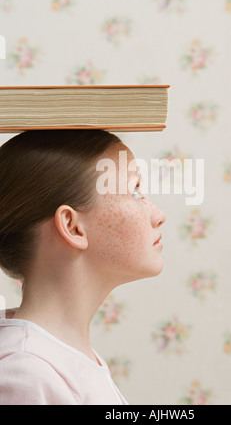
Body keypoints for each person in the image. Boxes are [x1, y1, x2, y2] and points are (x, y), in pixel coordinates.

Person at [0, 129, 166, 405]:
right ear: (73, 227)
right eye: (135, 190)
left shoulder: (59, 358)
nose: (159, 215)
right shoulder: (27, 374)